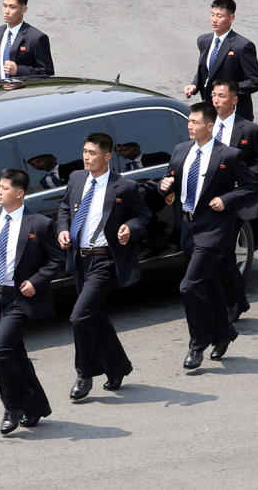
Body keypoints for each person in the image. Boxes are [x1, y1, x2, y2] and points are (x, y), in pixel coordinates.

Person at [159, 102, 257, 369]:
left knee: (189, 286)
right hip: (189, 226)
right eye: (189, 121)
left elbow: (250, 187)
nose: (190, 126)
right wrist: (164, 183)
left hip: (214, 229)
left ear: (210, 126)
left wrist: (226, 200)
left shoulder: (229, 156)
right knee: (208, 283)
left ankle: (197, 344)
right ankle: (224, 332)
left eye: (195, 122)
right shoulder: (181, 151)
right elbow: (170, 180)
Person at [0, 169, 63, 434]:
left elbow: (56, 260)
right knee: (14, 353)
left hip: (20, 300)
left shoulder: (39, 224)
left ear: (19, 194)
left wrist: (36, 281)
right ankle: (36, 407)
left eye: (5, 188)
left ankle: (13, 406)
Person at [57, 133, 150, 399]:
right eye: (84, 151)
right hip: (79, 258)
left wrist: (129, 228)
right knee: (94, 316)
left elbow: (143, 216)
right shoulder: (76, 179)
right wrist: (63, 230)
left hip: (104, 260)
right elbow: (64, 208)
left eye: (92, 153)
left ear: (107, 157)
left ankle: (85, 374)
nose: (86, 156)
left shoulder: (124, 187)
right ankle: (118, 366)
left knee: (79, 317)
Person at [209, 79, 258, 322]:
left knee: (224, 252)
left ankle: (233, 302)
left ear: (235, 100)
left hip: (236, 200)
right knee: (218, 254)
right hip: (210, 198)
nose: (216, 100)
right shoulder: (206, 125)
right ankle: (238, 298)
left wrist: (244, 178)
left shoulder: (249, 129)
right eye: (214, 95)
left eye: (221, 96)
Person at [183, 0, 258, 121]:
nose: (214, 20)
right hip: (209, 111)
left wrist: (227, 90)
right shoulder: (204, 41)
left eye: (220, 16)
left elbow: (256, 81)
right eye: (212, 15)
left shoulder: (242, 46)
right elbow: (206, 69)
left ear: (231, 18)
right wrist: (195, 85)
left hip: (234, 114)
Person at [0, 0, 54, 81]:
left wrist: (18, 70)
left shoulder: (36, 37)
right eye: (4, 6)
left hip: (23, 93)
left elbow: (47, 73)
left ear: (23, 9)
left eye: (12, 7)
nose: (7, 11)